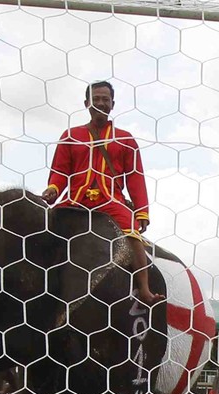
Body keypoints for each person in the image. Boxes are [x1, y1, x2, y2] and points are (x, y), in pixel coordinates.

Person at [43, 81, 162, 305]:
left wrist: (142, 212)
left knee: (132, 233)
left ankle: (144, 289)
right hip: (75, 199)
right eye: (96, 99)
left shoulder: (125, 139)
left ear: (112, 104)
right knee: (43, 229)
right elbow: (60, 171)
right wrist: (53, 189)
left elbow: (135, 178)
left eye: (105, 99)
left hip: (110, 200)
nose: (100, 103)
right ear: (86, 103)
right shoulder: (71, 135)